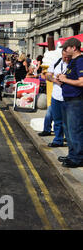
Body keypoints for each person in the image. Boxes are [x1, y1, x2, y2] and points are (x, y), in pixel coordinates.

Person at [56, 38, 83, 168]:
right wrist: (62, 79)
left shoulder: (80, 61)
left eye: (66, 48)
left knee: (75, 130)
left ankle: (77, 158)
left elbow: (82, 82)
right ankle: (72, 155)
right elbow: (69, 78)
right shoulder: (73, 62)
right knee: (68, 130)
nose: (65, 51)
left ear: (74, 47)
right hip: (67, 99)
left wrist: (65, 80)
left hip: (76, 101)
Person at [45, 50, 71, 148]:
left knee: (69, 122)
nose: (66, 58)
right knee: (57, 120)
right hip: (56, 96)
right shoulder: (56, 62)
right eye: (65, 56)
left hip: (69, 97)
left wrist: (65, 80)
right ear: (62, 54)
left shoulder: (75, 64)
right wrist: (54, 79)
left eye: (68, 56)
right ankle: (58, 140)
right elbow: (47, 75)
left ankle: (70, 142)